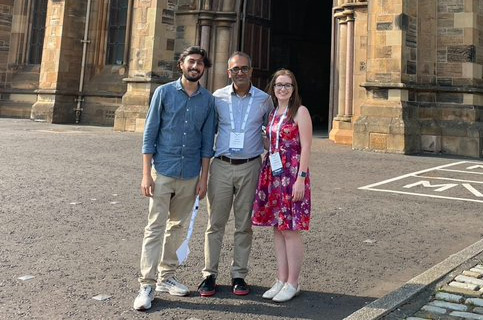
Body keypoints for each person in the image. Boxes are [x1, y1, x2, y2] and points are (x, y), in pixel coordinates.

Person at [133, 46, 216, 311]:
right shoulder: (163, 92)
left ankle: (165, 277)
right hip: (164, 170)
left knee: (177, 227)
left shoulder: (208, 100)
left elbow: (207, 142)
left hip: (191, 173)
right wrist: (146, 173)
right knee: (155, 227)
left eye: (200, 63)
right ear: (181, 64)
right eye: (191, 61)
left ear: (204, 68)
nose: (195, 66)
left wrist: (204, 177)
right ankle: (146, 283)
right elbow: (150, 133)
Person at [198, 52, 273, 297]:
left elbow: (271, 129)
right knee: (215, 223)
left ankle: (239, 275)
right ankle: (209, 274)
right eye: (235, 69)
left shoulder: (264, 100)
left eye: (244, 68)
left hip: (250, 166)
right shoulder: (216, 97)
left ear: (251, 71)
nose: (239, 73)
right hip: (221, 165)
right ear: (228, 72)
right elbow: (208, 133)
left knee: (244, 225)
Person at [251, 69, 312, 303]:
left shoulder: (300, 112)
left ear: (294, 88)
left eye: (287, 85)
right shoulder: (274, 113)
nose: (283, 89)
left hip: (292, 175)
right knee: (278, 228)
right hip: (274, 174)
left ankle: (293, 282)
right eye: (279, 85)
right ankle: (281, 278)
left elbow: (305, 147)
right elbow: (273, 142)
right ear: (273, 88)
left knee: (290, 229)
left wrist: (301, 179)